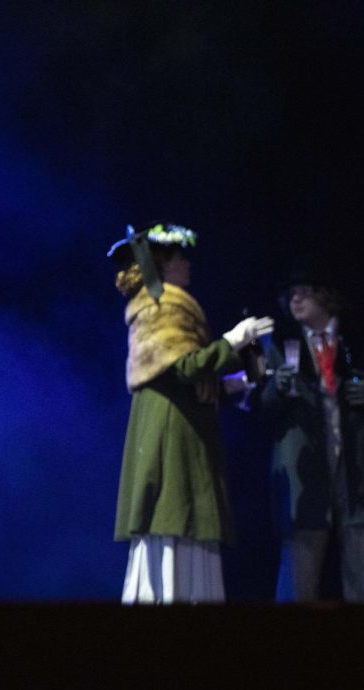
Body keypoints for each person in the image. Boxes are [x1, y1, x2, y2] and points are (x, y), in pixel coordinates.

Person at [110, 222, 273, 604]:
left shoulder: (169, 303)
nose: (188, 263)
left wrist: (227, 385)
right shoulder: (163, 304)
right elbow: (184, 367)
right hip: (171, 430)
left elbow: (185, 374)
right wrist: (234, 340)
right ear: (165, 265)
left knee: (185, 523)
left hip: (180, 422)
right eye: (181, 257)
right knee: (173, 520)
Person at [253, 260, 364, 603]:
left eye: (305, 292)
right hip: (304, 477)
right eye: (291, 293)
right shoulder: (274, 343)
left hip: (363, 472)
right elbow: (256, 406)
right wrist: (275, 388)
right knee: (297, 579)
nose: (295, 300)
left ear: (327, 296)